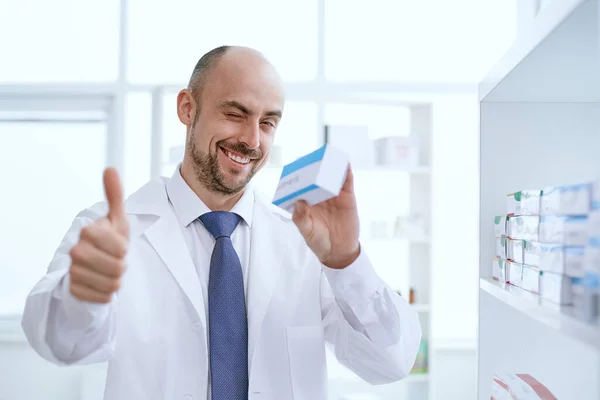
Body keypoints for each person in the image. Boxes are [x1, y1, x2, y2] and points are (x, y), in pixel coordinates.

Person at [21, 45, 422, 400]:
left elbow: (391, 362)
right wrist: (82, 295)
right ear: (187, 108)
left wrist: (347, 262)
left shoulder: (303, 242)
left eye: (268, 123)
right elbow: (59, 342)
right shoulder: (109, 230)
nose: (251, 140)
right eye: (235, 114)